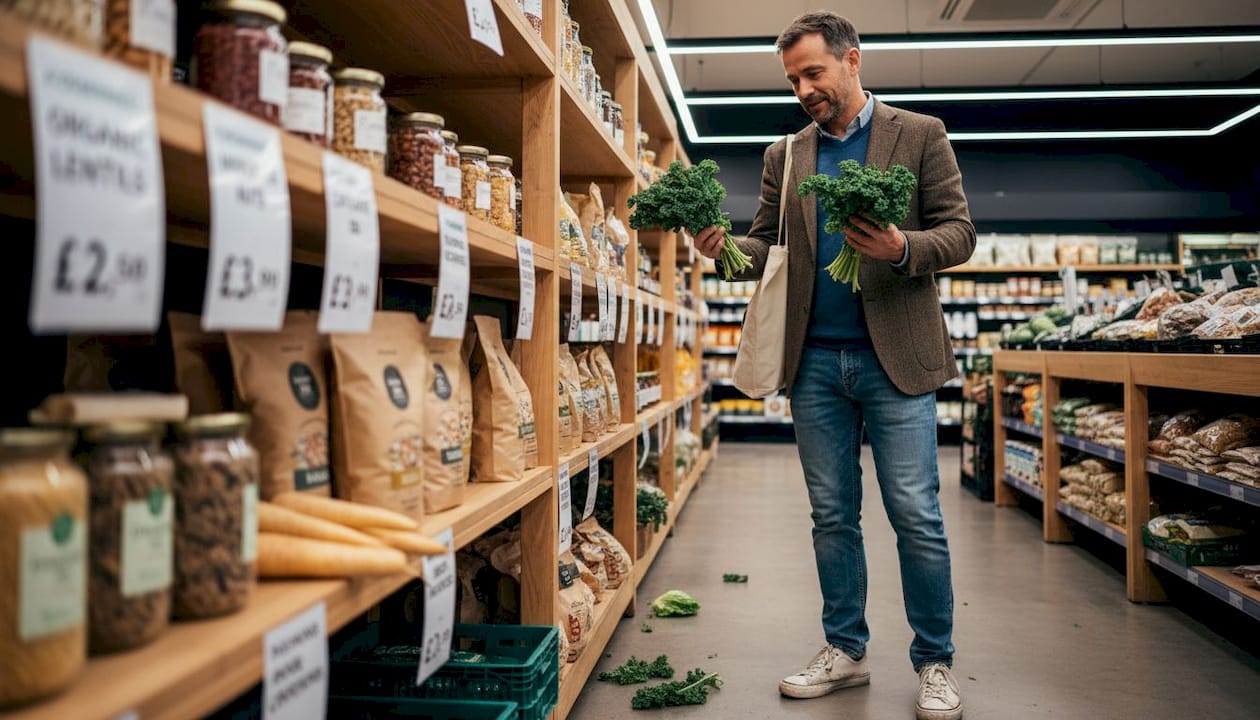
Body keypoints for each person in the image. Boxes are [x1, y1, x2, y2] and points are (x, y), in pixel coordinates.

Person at [693, 10, 976, 720]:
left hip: (895, 361)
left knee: (916, 512)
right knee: (831, 515)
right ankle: (844, 649)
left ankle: (935, 661)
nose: (803, 90)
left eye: (813, 73)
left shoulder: (920, 134)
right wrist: (723, 248)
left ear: (853, 60)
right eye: (793, 79)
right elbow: (766, 247)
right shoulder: (784, 154)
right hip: (813, 361)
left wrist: (901, 249)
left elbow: (959, 232)